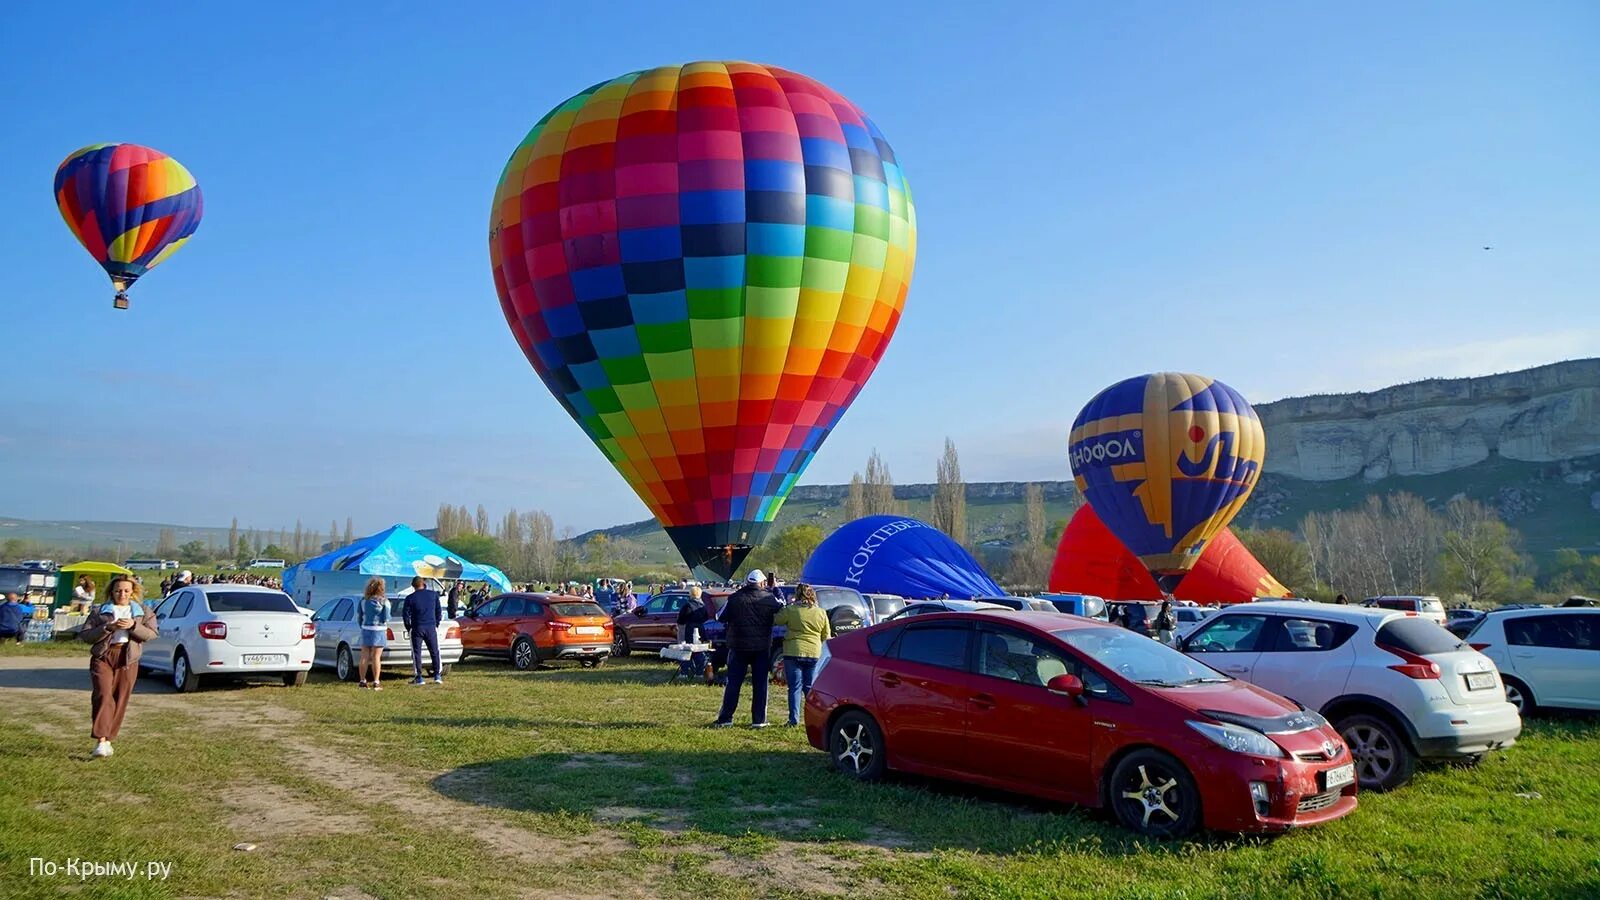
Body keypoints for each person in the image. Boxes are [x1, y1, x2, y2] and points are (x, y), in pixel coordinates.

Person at [78, 575, 158, 758]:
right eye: (118, 590)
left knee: (120, 698)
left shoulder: (143, 611)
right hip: (104, 656)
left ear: (133, 592)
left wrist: (133, 626)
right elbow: (86, 635)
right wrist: (107, 628)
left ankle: (109, 739)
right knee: (103, 695)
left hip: (128, 658)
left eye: (126, 591)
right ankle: (101, 740)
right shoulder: (99, 611)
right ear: (111, 592)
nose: (122, 594)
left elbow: (152, 634)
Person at [711, 570, 782, 728]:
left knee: (734, 684)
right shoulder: (769, 598)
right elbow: (782, 606)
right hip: (761, 648)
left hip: (738, 647)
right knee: (760, 684)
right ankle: (758, 720)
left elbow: (719, 616)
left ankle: (726, 718)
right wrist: (776, 589)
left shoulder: (735, 598)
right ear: (763, 583)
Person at [773, 584, 833, 726]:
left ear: (798, 594)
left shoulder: (791, 610)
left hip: (793, 652)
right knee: (810, 688)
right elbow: (826, 635)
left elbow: (777, 620)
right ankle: (816, 719)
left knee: (794, 687)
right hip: (814, 653)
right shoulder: (821, 612)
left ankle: (794, 720)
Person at [403, 576, 443, 685]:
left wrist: (409, 627)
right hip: (431, 626)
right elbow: (439, 611)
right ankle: (437, 675)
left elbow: (405, 615)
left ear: (413, 586)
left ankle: (419, 676)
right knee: (435, 651)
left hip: (417, 627)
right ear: (424, 584)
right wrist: (436, 623)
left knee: (416, 652)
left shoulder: (410, 598)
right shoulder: (433, 595)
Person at [356, 577, 390, 690]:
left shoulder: (363, 601)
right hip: (379, 629)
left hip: (366, 628)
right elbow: (386, 617)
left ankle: (362, 681)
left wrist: (362, 625)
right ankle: (376, 681)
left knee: (364, 656)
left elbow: (359, 616)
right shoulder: (384, 601)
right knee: (376, 657)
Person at [675, 585, 710, 678]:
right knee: (699, 651)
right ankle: (699, 672)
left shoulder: (687, 605)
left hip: (689, 629)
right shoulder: (703, 605)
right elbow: (706, 617)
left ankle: (684, 672)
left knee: (687, 650)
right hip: (701, 629)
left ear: (691, 594)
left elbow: (681, 619)